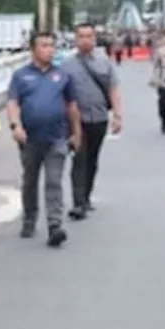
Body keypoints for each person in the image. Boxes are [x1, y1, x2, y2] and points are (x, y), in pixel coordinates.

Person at [6, 32, 81, 247]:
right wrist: (15, 126)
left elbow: (71, 106)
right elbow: (12, 103)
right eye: (44, 45)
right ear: (33, 49)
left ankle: (55, 225)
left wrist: (76, 132)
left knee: (54, 182)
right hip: (29, 139)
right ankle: (30, 218)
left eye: (51, 46)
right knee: (30, 181)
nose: (49, 50)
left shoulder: (63, 76)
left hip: (57, 137)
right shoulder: (21, 76)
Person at [59, 23, 123, 220]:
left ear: (94, 39)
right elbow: (60, 94)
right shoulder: (66, 65)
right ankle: (78, 203)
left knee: (92, 160)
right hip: (76, 121)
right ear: (75, 39)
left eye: (89, 36)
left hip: (99, 118)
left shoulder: (104, 62)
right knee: (79, 159)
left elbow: (113, 89)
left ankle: (86, 196)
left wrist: (118, 116)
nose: (85, 40)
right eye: (81, 36)